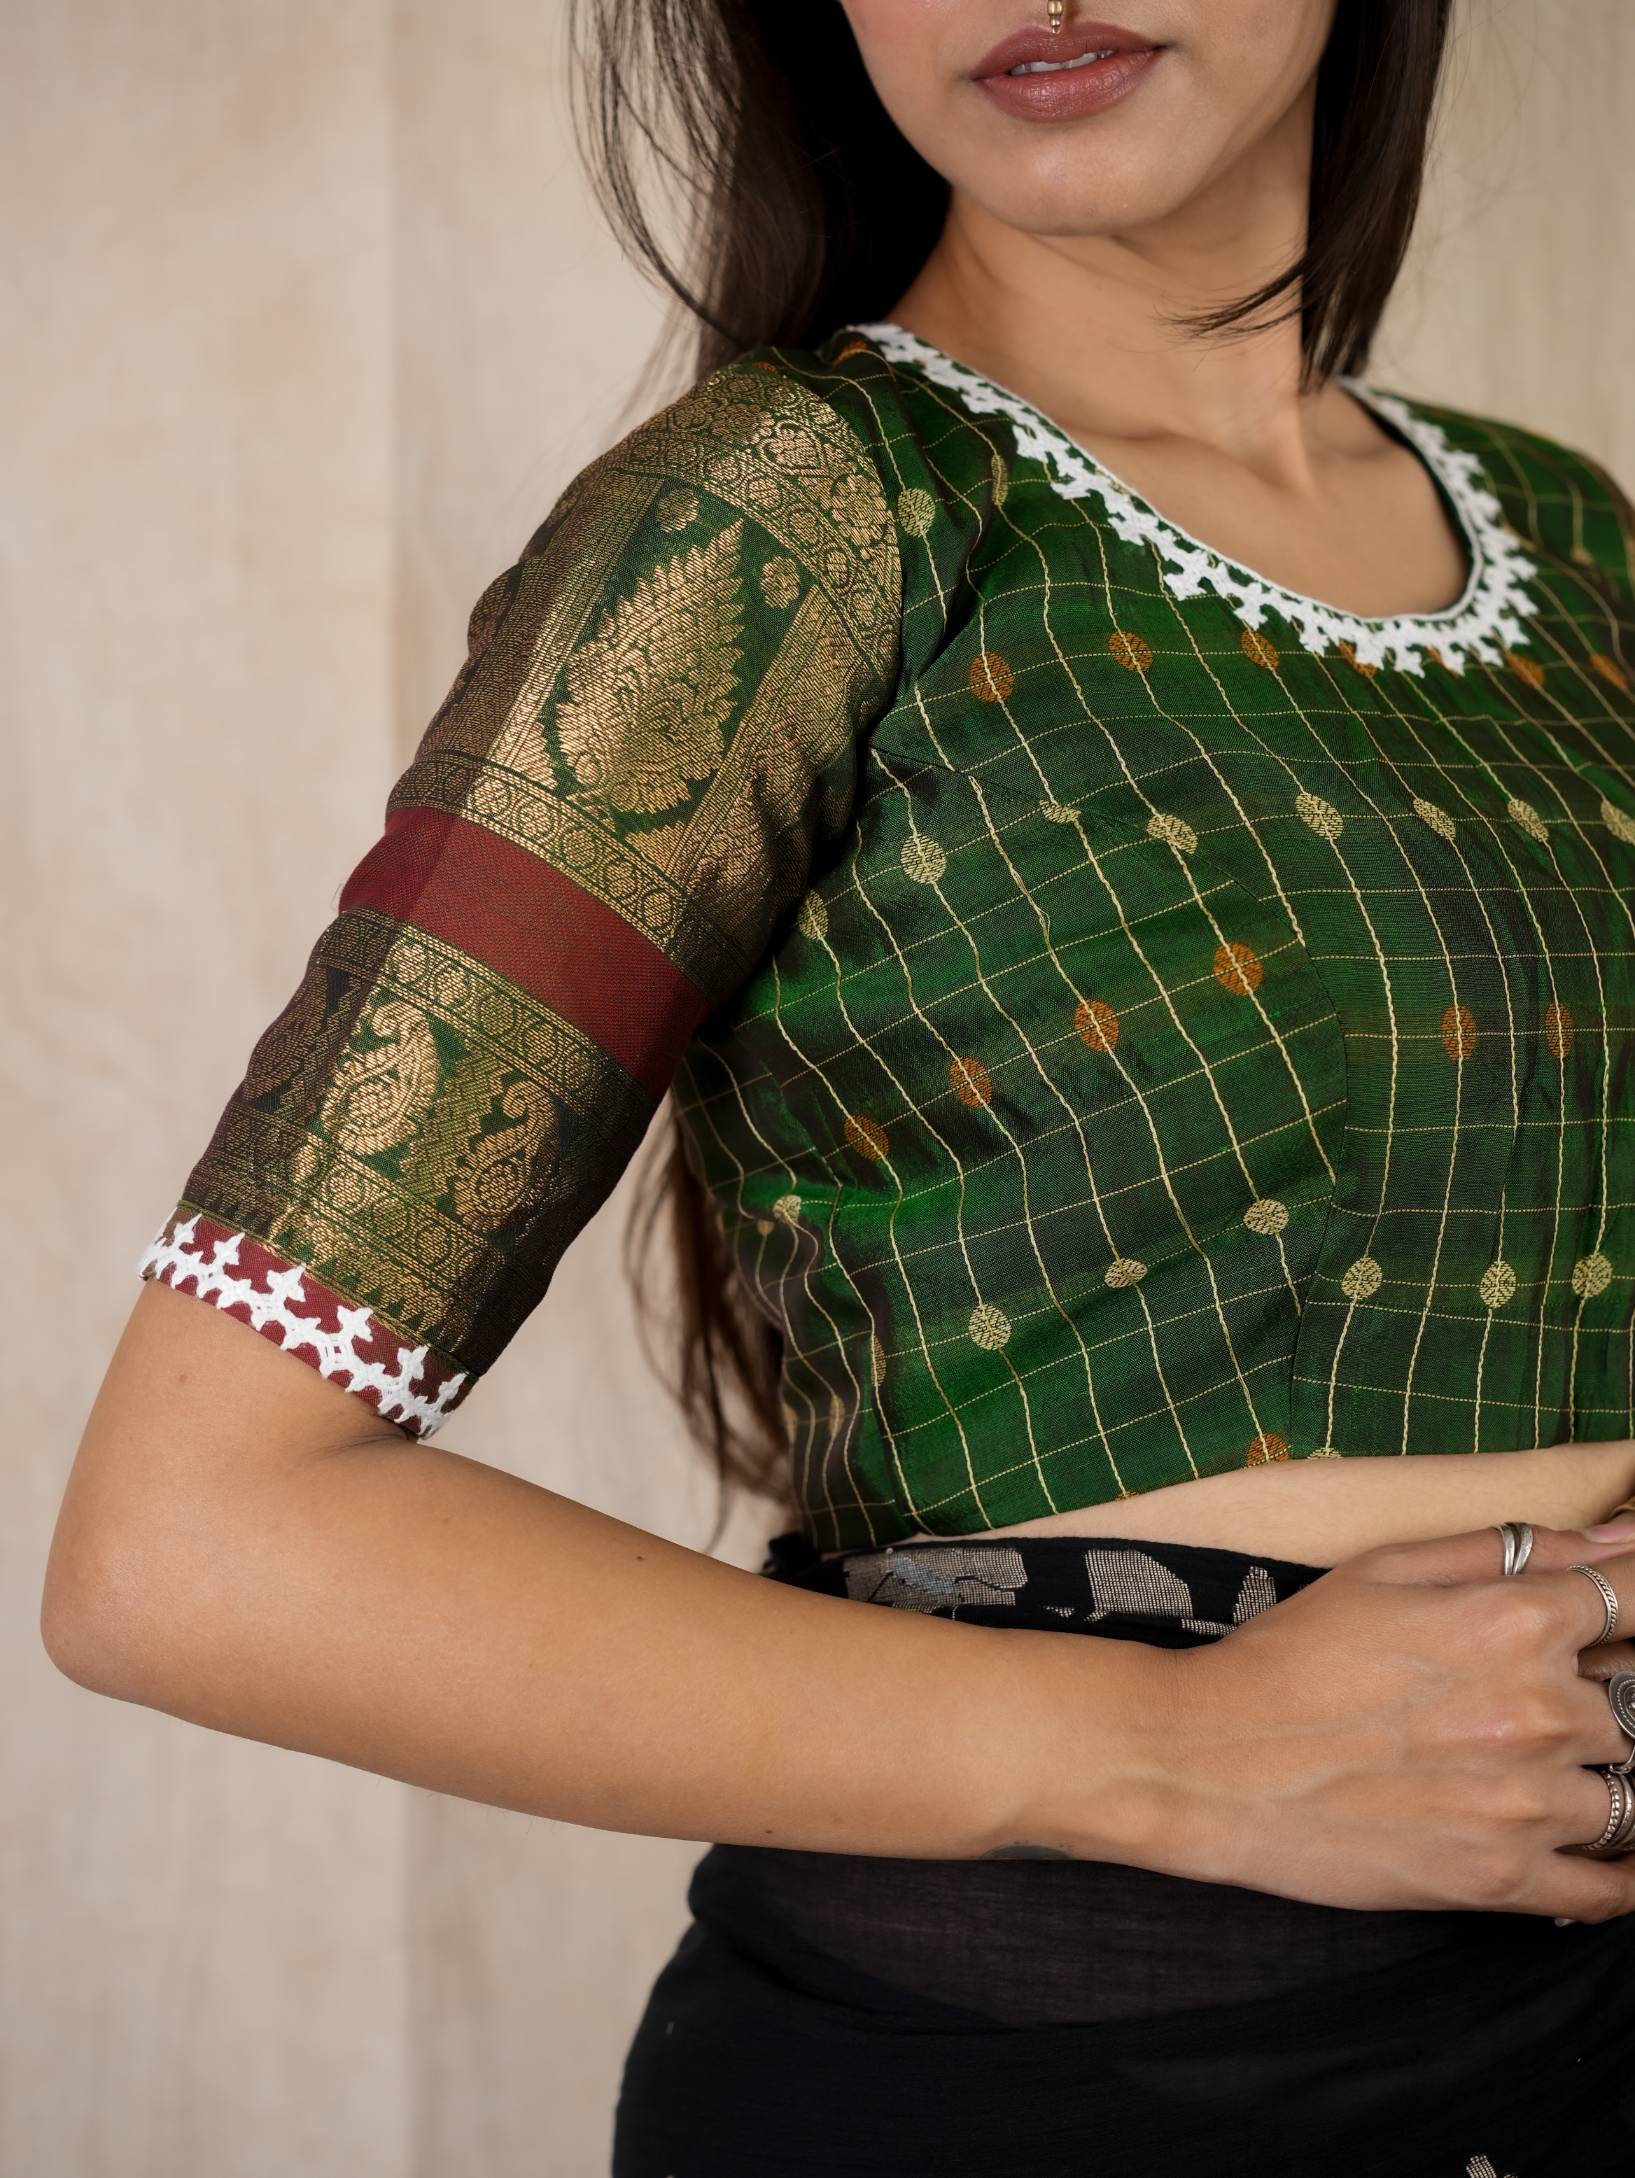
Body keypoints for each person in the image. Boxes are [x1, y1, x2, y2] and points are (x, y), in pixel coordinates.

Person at [40, 0, 1635, 2168]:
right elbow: (190, 1547)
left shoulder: (1570, 541)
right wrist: (1176, 1755)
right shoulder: (786, 519)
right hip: (1039, 2084)